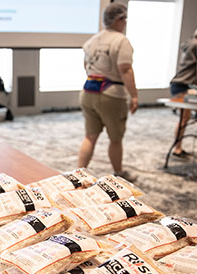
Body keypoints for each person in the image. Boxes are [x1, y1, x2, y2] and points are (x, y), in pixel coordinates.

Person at [77, 2, 139, 182]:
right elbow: (125, 69)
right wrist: (134, 95)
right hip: (112, 94)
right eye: (124, 19)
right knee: (115, 138)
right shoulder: (121, 41)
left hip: (89, 91)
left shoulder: (91, 41)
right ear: (119, 19)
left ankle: (78, 175)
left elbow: (86, 66)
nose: (125, 23)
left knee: (90, 136)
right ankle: (119, 173)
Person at [169, 23, 197, 159]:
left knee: (185, 117)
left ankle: (178, 147)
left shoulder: (189, 43)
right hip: (183, 85)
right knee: (184, 118)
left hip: (180, 83)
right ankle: (177, 148)